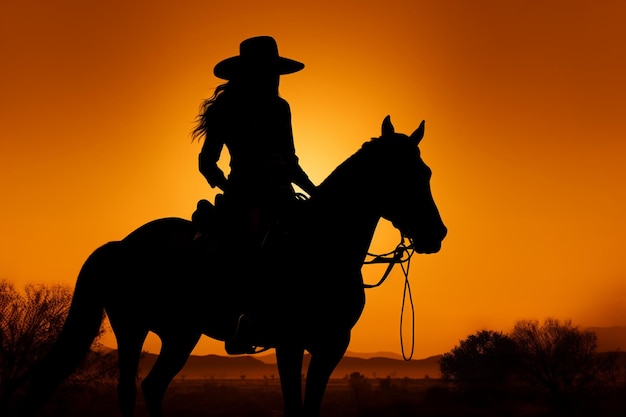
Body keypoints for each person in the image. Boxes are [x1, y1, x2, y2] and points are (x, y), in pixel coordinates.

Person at [191, 36, 316, 354]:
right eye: (269, 71)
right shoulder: (229, 109)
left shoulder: (280, 107)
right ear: (253, 72)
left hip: (282, 194)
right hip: (243, 196)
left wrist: (317, 192)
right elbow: (208, 162)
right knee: (251, 246)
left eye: (275, 72)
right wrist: (230, 188)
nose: (274, 79)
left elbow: (290, 161)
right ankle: (242, 322)